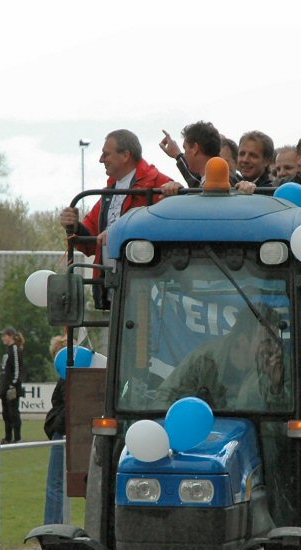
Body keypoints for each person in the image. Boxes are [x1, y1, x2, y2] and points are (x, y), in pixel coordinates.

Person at [60, 129, 171, 308]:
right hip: (113, 293)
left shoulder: (160, 185)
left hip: (148, 294)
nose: (101, 160)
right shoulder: (109, 193)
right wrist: (74, 226)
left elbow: (171, 231)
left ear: (126, 155)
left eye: (106, 154)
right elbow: (89, 243)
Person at [156, 305, 286, 411]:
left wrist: (276, 388)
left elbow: (283, 424)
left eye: (276, 341)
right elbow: (165, 397)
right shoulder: (204, 361)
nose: (273, 348)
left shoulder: (279, 365)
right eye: (266, 342)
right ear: (242, 340)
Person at [43, 335, 68, 524]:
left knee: (55, 483)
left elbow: (66, 406)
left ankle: (51, 525)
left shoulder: (68, 378)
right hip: (64, 430)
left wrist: (55, 425)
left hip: (63, 432)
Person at [159, 121, 227, 188]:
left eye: (185, 148)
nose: (185, 155)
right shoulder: (224, 182)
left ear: (195, 148)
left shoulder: (212, 187)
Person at [0, 327, 25, 444]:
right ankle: (7, 437)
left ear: (10, 336)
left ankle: (17, 437)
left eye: (4, 335)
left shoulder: (15, 350)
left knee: (13, 412)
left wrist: (13, 384)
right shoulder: (7, 350)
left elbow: (17, 369)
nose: (2, 338)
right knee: (6, 413)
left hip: (12, 388)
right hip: (4, 387)